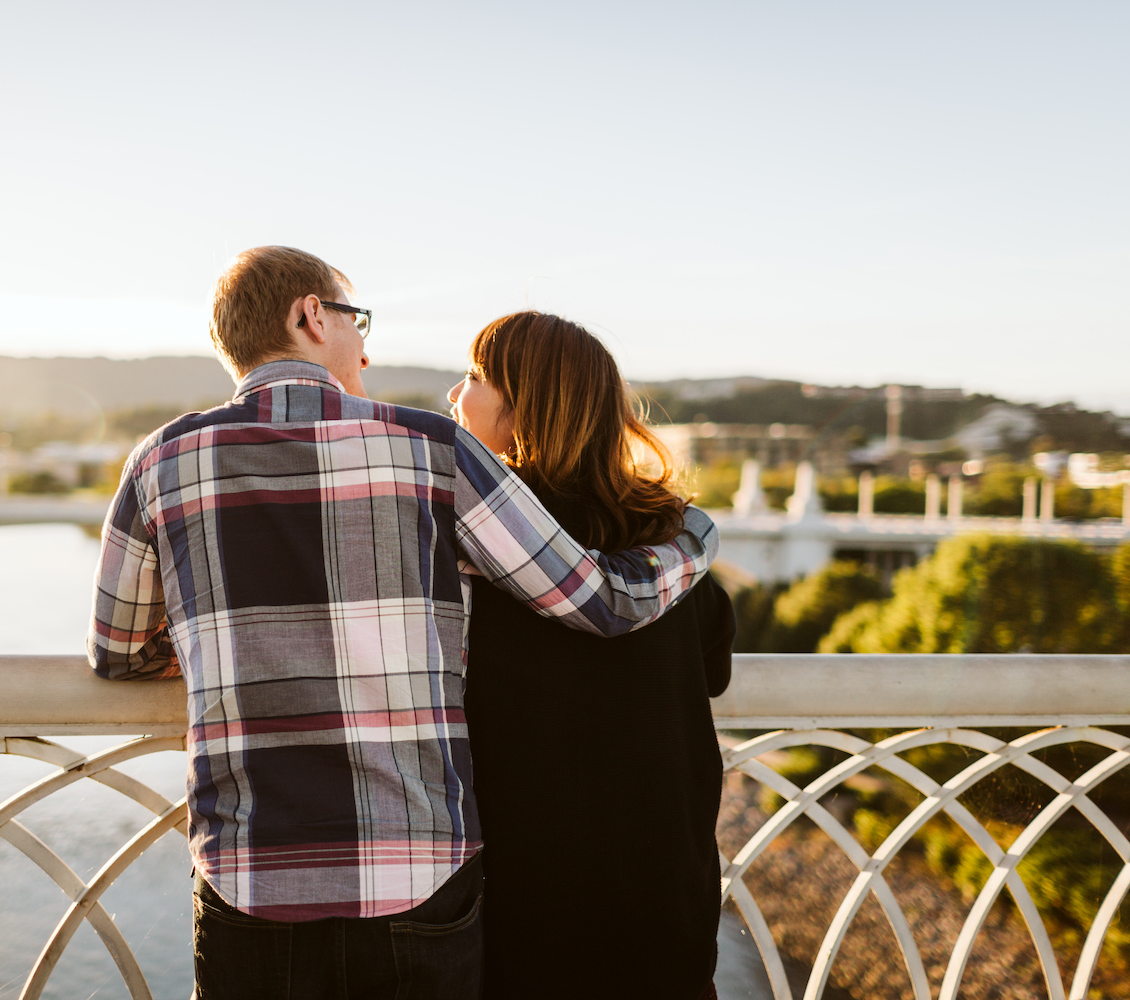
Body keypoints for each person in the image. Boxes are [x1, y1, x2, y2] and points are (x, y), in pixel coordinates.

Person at [87, 247, 720, 1000]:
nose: (366, 343)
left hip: (252, 879)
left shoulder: (160, 460)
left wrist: (221, 644)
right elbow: (601, 601)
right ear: (311, 317)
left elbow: (118, 654)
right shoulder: (431, 448)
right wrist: (694, 541)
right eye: (357, 320)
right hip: (415, 879)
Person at [450, 311, 735, 1000]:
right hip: (666, 887)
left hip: (525, 902)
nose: (457, 393)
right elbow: (715, 669)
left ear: (524, 407)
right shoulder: (672, 540)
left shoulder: (467, 546)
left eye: (476, 377)